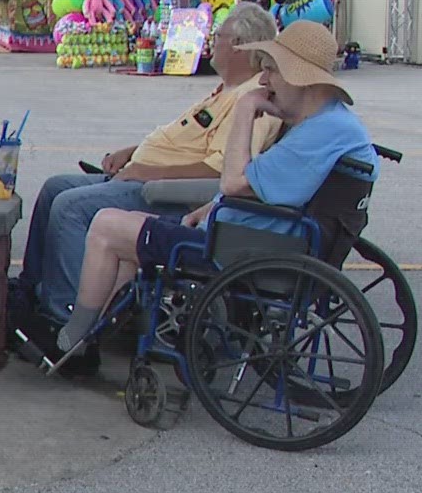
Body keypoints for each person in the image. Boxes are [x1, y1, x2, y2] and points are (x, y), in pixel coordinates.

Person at [26, 21, 377, 369]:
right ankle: (86, 337)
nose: (265, 81)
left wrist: (246, 110)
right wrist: (212, 205)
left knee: (106, 225)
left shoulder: (318, 133)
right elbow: (264, 190)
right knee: (124, 240)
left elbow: (234, 182)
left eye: (271, 70)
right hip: (259, 235)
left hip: (244, 247)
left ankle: (71, 340)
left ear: (299, 77)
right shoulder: (332, 126)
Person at [11, 3, 281, 367]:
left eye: (217, 38)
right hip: (146, 174)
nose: (211, 45)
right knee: (55, 188)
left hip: (170, 194)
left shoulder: (251, 101)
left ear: (240, 46)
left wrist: (146, 172)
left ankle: (66, 320)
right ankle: (33, 292)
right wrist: (134, 153)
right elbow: (180, 140)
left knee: (71, 207)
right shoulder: (226, 90)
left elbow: (218, 169)